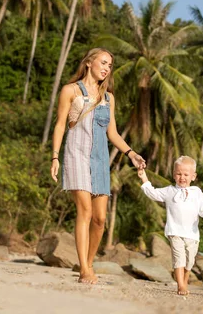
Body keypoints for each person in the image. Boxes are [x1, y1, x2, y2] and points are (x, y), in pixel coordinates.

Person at [50, 48, 146, 284]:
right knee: (85, 210)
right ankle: (84, 268)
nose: (106, 68)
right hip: (76, 155)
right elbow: (61, 125)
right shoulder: (70, 91)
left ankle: (89, 262)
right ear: (89, 62)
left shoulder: (108, 98)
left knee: (100, 219)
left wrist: (131, 153)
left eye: (110, 65)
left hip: (100, 159)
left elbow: (111, 132)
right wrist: (54, 156)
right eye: (103, 62)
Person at [137, 156, 203, 296]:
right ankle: (180, 285)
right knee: (179, 258)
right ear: (174, 175)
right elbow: (153, 193)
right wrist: (144, 178)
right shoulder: (169, 191)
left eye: (186, 174)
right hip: (175, 231)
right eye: (179, 174)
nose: (182, 177)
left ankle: (184, 280)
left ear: (193, 176)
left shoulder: (197, 192)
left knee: (190, 261)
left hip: (192, 234)